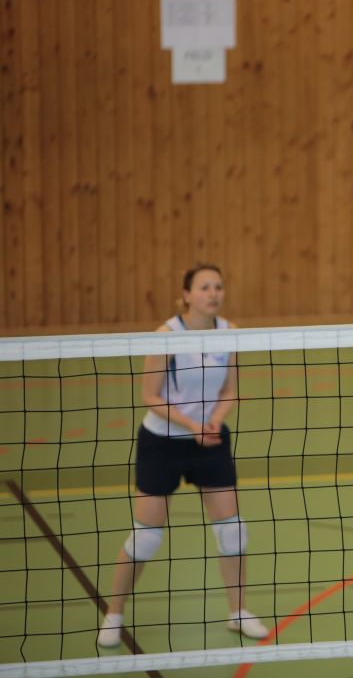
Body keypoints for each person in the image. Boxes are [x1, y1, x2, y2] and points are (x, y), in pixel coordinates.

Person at [98, 264, 269, 648]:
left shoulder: (229, 332)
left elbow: (230, 390)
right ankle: (114, 614)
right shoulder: (166, 335)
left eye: (218, 287)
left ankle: (238, 612)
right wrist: (192, 425)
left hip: (210, 439)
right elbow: (150, 396)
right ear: (187, 295)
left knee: (233, 530)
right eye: (204, 287)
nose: (213, 293)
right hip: (163, 442)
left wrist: (215, 420)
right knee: (146, 538)